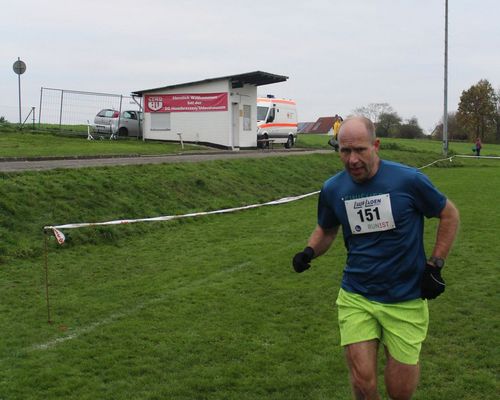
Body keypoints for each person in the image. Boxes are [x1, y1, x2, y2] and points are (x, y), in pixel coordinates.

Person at [292, 116, 460, 400]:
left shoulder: (408, 180)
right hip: (357, 295)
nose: (352, 159)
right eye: (345, 151)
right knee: (362, 381)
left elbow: (449, 214)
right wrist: (309, 252)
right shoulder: (334, 188)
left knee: (399, 392)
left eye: (360, 150)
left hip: (405, 298)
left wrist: (435, 265)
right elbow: (327, 228)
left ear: (376, 145)